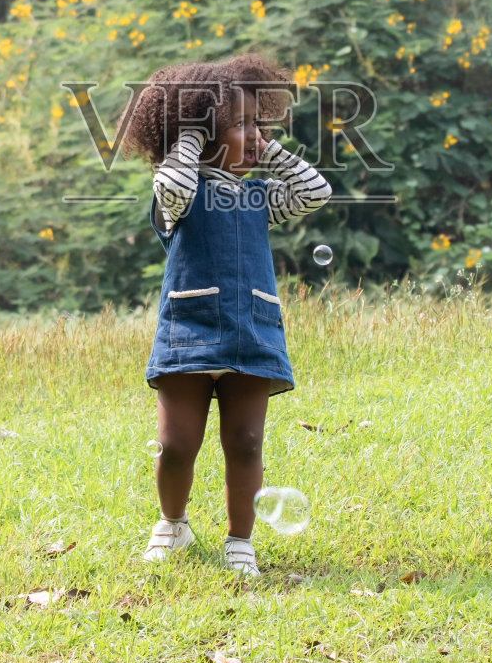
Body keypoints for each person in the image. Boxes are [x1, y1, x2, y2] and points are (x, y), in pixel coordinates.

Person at [117, 53, 331, 577]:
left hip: (252, 330)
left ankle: (241, 540)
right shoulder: (181, 197)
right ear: (204, 134)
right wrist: (191, 134)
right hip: (189, 332)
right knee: (175, 444)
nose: (255, 135)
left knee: (246, 441)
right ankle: (173, 524)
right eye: (241, 125)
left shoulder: (260, 196)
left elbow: (315, 191)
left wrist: (263, 141)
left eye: (259, 122)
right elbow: (172, 183)